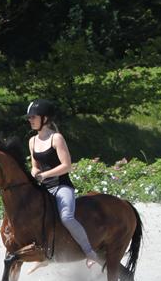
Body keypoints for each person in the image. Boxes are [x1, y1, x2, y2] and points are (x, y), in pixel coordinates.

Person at [24, 98, 102, 266]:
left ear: (44, 118)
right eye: (29, 118)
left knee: (66, 217)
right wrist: (35, 173)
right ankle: (43, 254)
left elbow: (67, 166)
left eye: (33, 117)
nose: (30, 120)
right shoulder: (32, 141)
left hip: (61, 186)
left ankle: (89, 252)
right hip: (44, 188)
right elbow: (34, 166)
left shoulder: (56, 138)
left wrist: (44, 175)